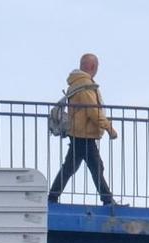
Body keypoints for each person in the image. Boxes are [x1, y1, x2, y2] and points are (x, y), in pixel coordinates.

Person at [49, 52, 118, 207]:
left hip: (78, 132)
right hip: (84, 134)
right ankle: (107, 200)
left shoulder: (76, 83)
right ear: (93, 67)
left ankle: (52, 196)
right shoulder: (85, 86)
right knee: (95, 166)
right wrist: (109, 128)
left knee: (73, 167)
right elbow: (93, 111)